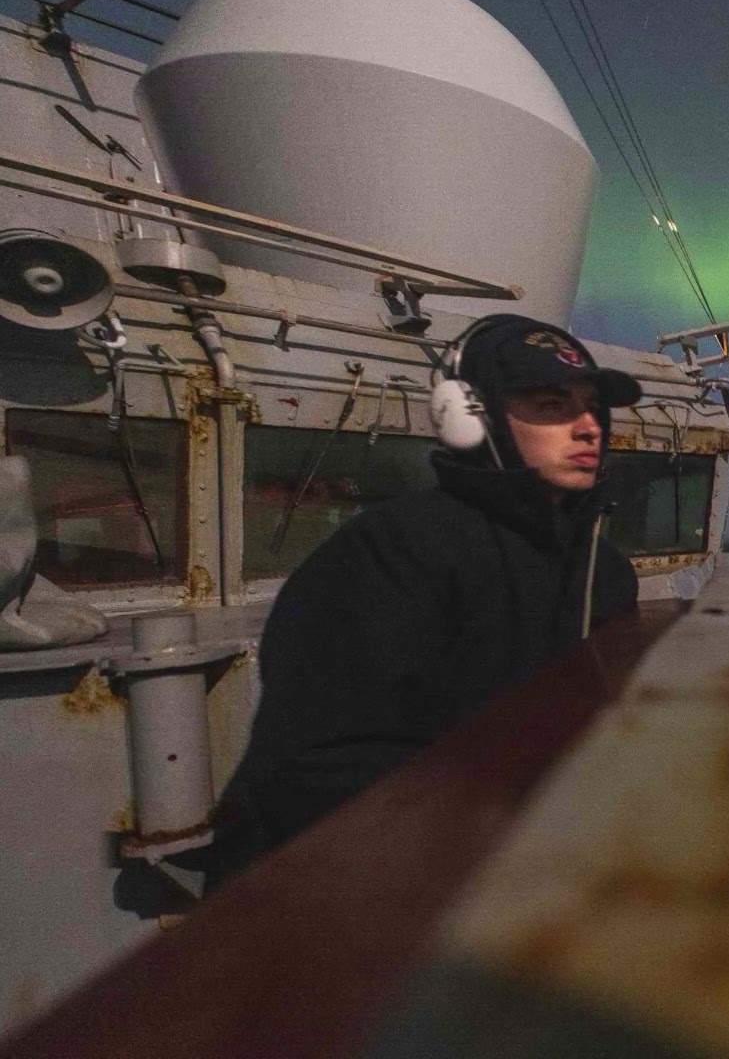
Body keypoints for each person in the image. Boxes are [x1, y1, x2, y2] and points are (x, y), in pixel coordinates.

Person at [214, 314, 642, 872]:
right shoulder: (392, 550)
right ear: (471, 416)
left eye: (594, 407)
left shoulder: (603, 571)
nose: (589, 427)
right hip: (379, 889)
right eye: (552, 404)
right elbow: (324, 766)